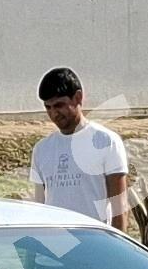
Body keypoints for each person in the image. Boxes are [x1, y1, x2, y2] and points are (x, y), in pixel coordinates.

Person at [31, 67, 133, 226]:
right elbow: (39, 206)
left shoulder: (106, 141)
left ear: (78, 97)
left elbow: (119, 208)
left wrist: (113, 249)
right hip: (56, 245)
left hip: (96, 242)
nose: (54, 114)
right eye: (48, 107)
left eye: (59, 105)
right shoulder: (42, 149)